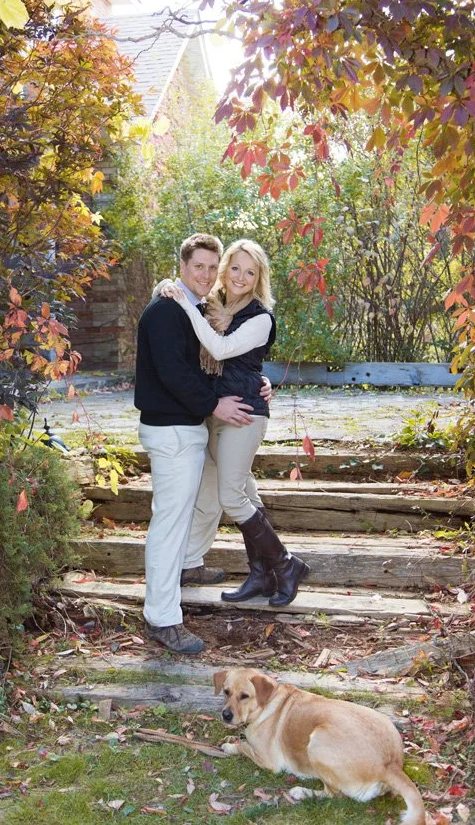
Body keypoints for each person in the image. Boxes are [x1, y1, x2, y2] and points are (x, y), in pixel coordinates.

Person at [159, 238, 309, 608]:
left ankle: (287, 565)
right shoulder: (213, 306)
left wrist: (180, 299)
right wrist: (169, 291)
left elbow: (222, 349)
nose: (241, 276)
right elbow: (189, 312)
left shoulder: (259, 317)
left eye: (250, 271)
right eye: (236, 268)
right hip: (214, 413)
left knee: (231, 496)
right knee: (248, 494)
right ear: (226, 268)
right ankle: (261, 575)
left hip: (244, 413)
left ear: (260, 277)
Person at [133, 232, 259, 655]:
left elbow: (205, 364)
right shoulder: (167, 311)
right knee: (168, 525)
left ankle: (187, 567)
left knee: (202, 503)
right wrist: (214, 405)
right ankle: (163, 619)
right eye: (197, 267)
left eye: (211, 267)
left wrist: (254, 384)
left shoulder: (191, 307)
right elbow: (174, 374)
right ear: (183, 267)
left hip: (188, 427)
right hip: (172, 432)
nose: (205, 275)